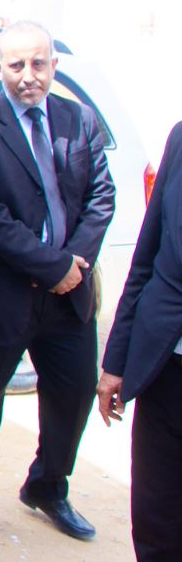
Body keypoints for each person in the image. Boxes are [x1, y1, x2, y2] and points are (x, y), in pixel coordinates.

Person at [0, 20, 114, 543]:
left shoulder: (79, 120)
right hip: (7, 294)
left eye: (38, 63)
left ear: (53, 65)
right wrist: (50, 266)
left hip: (70, 296)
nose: (28, 75)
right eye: (16, 65)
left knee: (74, 394)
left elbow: (102, 197)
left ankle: (48, 487)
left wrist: (73, 264)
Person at [97, 120, 182, 561]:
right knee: (155, 519)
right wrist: (116, 363)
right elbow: (146, 257)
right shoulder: (181, 138)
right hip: (165, 371)